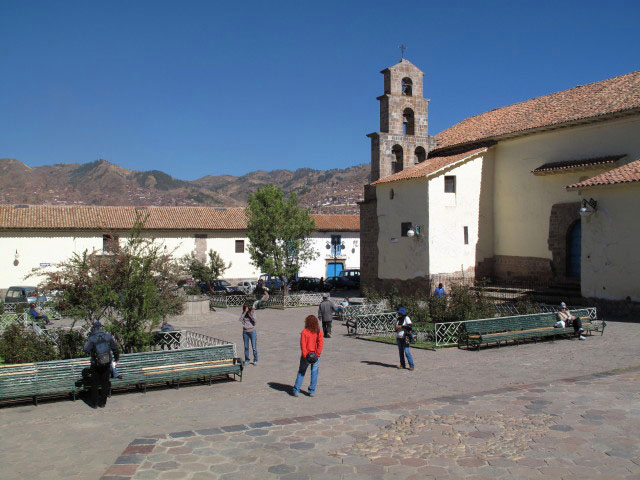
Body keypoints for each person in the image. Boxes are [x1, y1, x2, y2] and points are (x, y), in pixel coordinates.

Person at [83, 321, 119, 408]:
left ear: (94, 328)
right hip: (107, 363)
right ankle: (103, 403)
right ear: (101, 327)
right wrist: (116, 359)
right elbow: (115, 349)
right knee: (105, 383)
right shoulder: (108, 336)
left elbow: (85, 349)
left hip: (95, 364)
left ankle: (94, 404)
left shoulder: (91, 338)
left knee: (94, 384)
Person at [292, 315, 324, 397]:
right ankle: (312, 391)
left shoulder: (304, 332)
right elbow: (320, 343)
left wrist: (305, 354)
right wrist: (318, 353)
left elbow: (303, 344)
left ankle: (296, 390)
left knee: (301, 372)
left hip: (306, 355)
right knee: (314, 372)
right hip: (315, 354)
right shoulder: (319, 331)